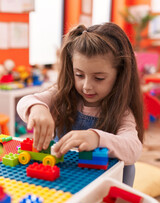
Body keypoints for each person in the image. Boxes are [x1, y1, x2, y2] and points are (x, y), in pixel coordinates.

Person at [17, 22, 144, 187]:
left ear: (120, 75)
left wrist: (96, 138)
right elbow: (25, 102)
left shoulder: (122, 112)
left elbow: (133, 149)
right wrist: (37, 107)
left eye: (99, 78)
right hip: (63, 180)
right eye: (79, 75)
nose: (86, 86)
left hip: (101, 185)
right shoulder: (62, 94)